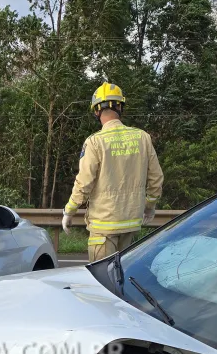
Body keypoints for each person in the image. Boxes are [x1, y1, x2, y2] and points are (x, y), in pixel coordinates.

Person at [61, 83, 164, 262]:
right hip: (131, 224)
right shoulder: (142, 138)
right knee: (124, 280)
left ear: (96, 111)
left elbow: (84, 183)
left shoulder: (94, 142)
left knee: (104, 282)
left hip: (103, 228)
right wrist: (149, 206)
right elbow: (156, 178)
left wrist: (69, 211)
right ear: (120, 106)